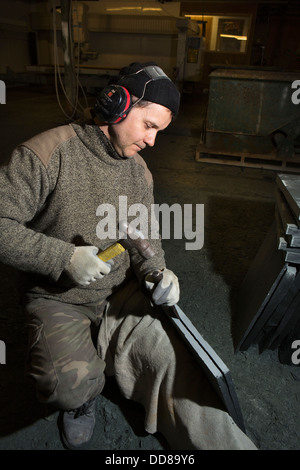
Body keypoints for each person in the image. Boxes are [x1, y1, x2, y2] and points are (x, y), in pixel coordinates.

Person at [0, 62, 257, 450]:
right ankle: (83, 393)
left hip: (120, 294)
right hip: (58, 298)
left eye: (159, 132)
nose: (153, 142)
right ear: (117, 104)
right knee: (63, 386)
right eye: (149, 126)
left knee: (177, 365)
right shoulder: (45, 154)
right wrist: (63, 258)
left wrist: (157, 273)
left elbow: (145, 238)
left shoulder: (139, 173)